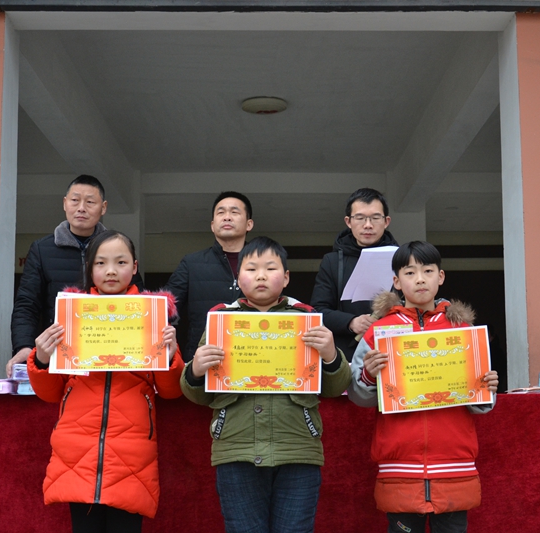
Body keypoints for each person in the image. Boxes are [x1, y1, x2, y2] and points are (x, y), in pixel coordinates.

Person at [181, 236, 351, 533]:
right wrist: (195, 370)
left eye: (270, 268)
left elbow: (335, 388)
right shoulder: (221, 321)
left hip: (298, 448)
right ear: (238, 278)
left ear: (286, 277)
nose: (260, 275)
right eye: (251, 269)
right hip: (236, 449)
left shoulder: (307, 320)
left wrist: (331, 355)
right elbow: (198, 396)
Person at [27, 230, 184, 532]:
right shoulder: (71, 315)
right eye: (100, 263)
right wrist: (43, 358)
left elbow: (171, 391)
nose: (111, 271)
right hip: (76, 450)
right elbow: (50, 393)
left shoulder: (152, 318)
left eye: (120, 262)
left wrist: (169, 358)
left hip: (132, 451)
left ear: (134, 267)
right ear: (90, 268)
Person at [347, 241, 498, 533]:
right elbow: (357, 396)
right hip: (399, 465)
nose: (419, 279)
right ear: (396, 281)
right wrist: (367, 375)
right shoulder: (378, 331)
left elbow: (481, 406)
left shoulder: (463, 332)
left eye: (427, 271)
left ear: (440, 277)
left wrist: (486, 387)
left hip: (454, 463)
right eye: (410, 272)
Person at [9, 175, 143, 377]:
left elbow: (139, 300)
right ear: (65, 203)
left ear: (103, 208)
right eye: (75, 200)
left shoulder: (117, 248)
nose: (81, 208)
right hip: (59, 354)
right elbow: (27, 304)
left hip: (111, 353)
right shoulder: (42, 249)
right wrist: (24, 346)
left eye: (90, 202)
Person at [163, 191, 254, 362]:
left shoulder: (263, 263)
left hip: (252, 357)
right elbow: (163, 309)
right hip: (202, 361)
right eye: (221, 212)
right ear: (212, 225)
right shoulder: (191, 263)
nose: (227, 217)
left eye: (234, 212)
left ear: (249, 224)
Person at [310, 187, 398, 361]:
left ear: (386, 221)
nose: (368, 225)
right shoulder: (332, 261)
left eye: (375, 218)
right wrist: (351, 322)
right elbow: (318, 310)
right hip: (346, 354)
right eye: (360, 218)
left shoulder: (401, 259)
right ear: (348, 221)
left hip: (391, 350)